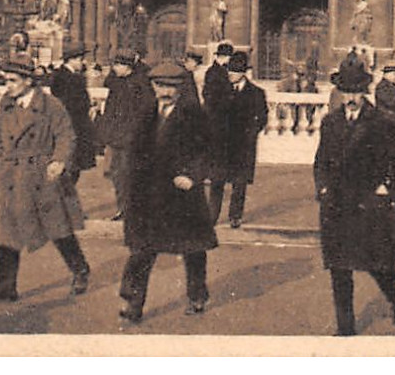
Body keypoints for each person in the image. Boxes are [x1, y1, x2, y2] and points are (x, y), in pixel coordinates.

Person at [0, 56, 91, 303]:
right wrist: (1, 167)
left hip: (43, 176)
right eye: (6, 80)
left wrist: (59, 162)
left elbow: (66, 136)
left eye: (13, 81)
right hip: (13, 177)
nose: (8, 86)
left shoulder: (51, 105)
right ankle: (6, 286)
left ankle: (80, 270)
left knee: (58, 229)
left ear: (29, 81)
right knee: (9, 233)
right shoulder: (5, 105)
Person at [314, 57, 395, 336]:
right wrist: (321, 187)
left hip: (369, 203)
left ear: (365, 92)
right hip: (336, 205)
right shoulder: (330, 122)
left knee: (377, 264)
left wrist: (388, 189)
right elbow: (320, 160)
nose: (351, 98)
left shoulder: (382, 121)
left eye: (356, 92)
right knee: (339, 268)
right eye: (346, 92)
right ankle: (346, 329)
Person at [118, 61, 219, 323]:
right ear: (152, 86)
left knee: (193, 250)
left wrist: (193, 175)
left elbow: (208, 151)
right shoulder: (145, 112)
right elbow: (134, 151)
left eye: (171, 87)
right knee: (141, 251)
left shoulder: (194, 115)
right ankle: (134, 304)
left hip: (181, 194)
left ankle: (197, 295)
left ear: (181, 88)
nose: (165, 91)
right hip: (148, 196)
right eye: (160, 85)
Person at [208, 51, 268, 229]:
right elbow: (211, 112)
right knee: (216, 181)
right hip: (221, 143)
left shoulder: (256, 93)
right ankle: (212, 215)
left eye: (234, 72)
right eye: (229, 71)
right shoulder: (220, 90)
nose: (230, 75)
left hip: (243, 145)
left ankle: (235, 216)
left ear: (243, 73)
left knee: (239, 183)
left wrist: (251, 133)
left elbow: (262, 117)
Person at [98, 49, 153, 220]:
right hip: (116, 137)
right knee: (116, 173)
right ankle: (123, 208)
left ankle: (131, 209)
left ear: (126, 66)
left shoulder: (140, 84)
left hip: (131, 138)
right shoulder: (117, 82)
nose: (114, 68)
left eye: (117, 65)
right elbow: (109, 108)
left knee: (128, 173)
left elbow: (145, 112)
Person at [49, 46, 99, 185]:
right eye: (80, 60)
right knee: (69, 164)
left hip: (76, 123)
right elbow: (65, 101)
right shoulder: (64, 77)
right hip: (72, 123)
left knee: (73, 165)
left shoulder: (68, 76)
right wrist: (85, 105)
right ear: (71, 60)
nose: (82, 63)